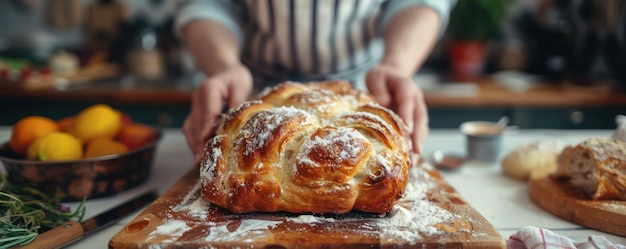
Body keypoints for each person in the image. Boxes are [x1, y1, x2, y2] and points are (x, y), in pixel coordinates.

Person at [175, 0, 457, 163]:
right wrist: (223, 65)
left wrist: (398, 65)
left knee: (379, 166)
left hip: (366, 95)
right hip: (253, 101)